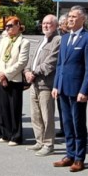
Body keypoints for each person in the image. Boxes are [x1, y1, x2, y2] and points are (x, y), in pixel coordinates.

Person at [52, 7, 88, 172]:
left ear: (82, 19)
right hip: (63, 88)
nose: (69, 19)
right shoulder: (64, 39)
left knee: (78, 124)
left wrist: (85, 90)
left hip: (77, 90)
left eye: (73, 17)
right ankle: (69, 154)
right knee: (67, 124)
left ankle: (79, 158)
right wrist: (56, 85)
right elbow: (60, 64)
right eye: (69, 16)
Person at [25, 15, 61, 156]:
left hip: (46, 83)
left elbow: (51, 63)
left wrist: (34, 72)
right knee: (36, 115)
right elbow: (32, 58)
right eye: (44, 23)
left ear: (56, 25)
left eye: (49, 24)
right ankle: (39, 141)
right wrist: (27, 71)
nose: (45, 26)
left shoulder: (58, 40)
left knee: (47, 115)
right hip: (34, 82)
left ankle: (48, 144)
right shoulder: (42, 39)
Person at [0, 17, 30, 146]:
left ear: (18, 26)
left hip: (14, 79)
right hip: (1, 78)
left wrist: (6, 75)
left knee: (14, 108)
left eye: (10, 26)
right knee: (3, 107)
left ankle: (16, 136)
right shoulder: (4, 40)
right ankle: (6, 133)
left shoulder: (23, 42)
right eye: (6, 26)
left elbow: (22, 62)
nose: (7, 28)